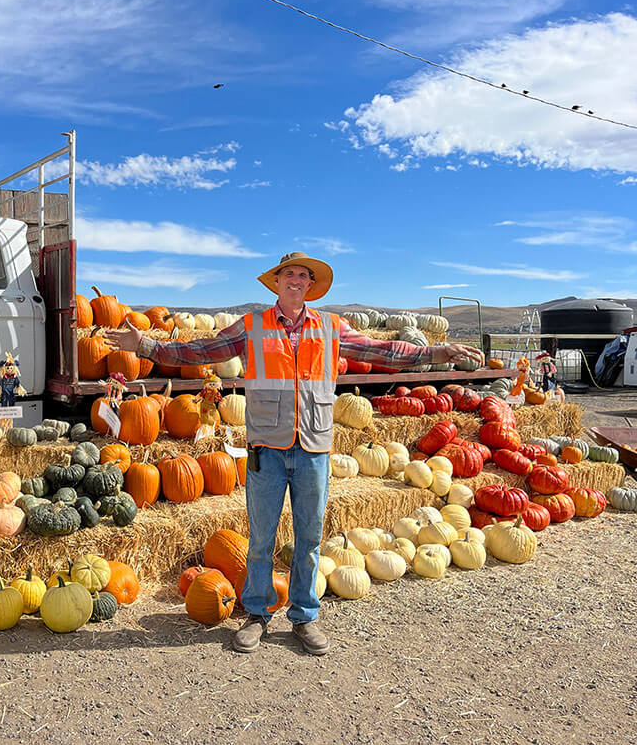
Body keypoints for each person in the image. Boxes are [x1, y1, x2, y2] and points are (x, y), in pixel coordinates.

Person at [105, 252, 484, 656]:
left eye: (304, 275)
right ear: (277, 281)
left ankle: (304, 616)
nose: (296, 280)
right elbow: (200, 351)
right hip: (267, 448)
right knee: (260, 540)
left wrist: (436, 353)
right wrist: (146, 345)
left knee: (308, 538)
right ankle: (256, 614)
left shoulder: (330, 327)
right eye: (290, 273)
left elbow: (380, 351)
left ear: (310, 285)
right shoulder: (252, 326)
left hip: (313, 449)